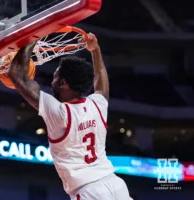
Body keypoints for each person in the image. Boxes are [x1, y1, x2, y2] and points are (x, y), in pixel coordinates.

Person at [8, 33, 130, 200]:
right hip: (115, 184)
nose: (51, 82)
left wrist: (33, 37)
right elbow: (101, 82)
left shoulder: (59, 112)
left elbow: (16, 75)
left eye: (55, 77)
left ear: (63, 83)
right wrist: (95, 50)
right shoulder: (97, 104)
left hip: (88, 192)